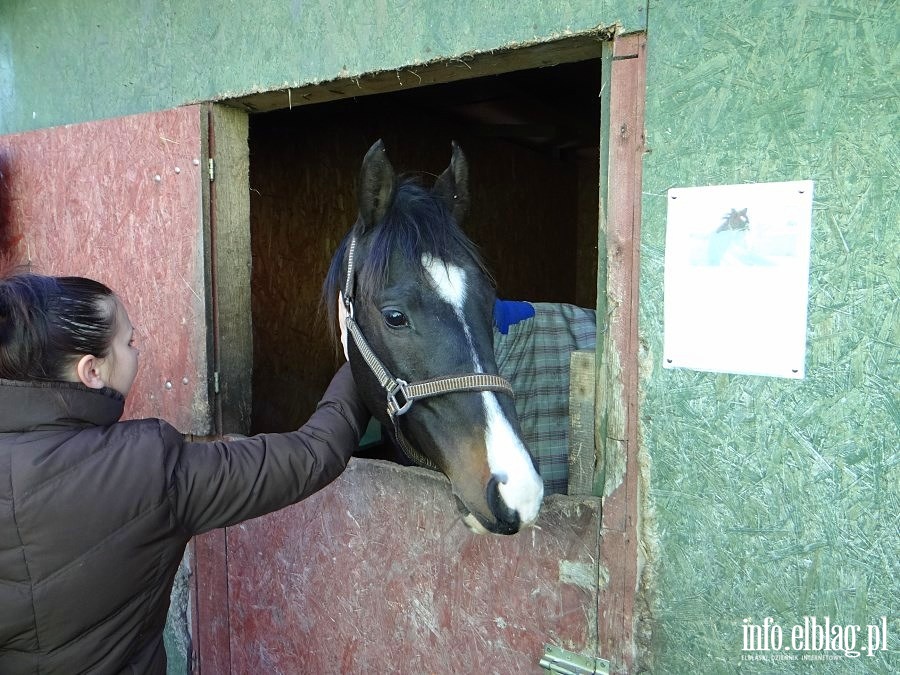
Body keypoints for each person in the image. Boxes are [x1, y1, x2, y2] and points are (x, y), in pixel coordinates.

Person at [0, 271, 369, 674]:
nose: (137, 352)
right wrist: (361, 348)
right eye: (129, 343)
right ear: (91, 372)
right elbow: (315, 453)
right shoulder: (146, 470)